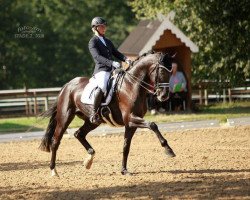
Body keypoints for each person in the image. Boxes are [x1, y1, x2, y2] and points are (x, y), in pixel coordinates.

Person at [88, 17, 131, 124]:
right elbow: (97, 57)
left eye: (104, 26)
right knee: (102, 86)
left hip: (112, 70)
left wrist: (125, 59)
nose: (104, 28)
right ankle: (94, 113)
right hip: (101, 70)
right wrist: (111, 63)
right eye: (102, 26)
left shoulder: (107, 41)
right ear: (95, 28)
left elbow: (116, 53)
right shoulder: (93, 42)